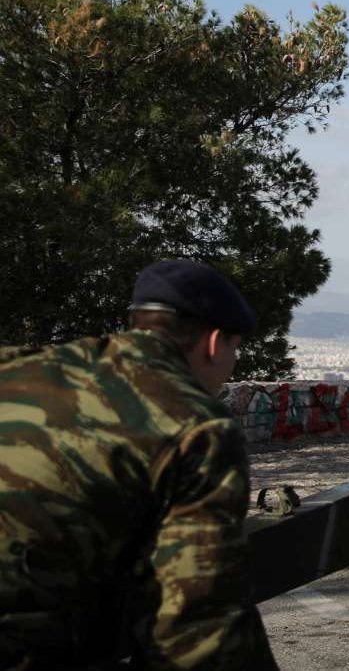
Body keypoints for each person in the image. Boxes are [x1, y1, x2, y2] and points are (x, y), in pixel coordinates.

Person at [0, 260, 278, 668]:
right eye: (235, 350)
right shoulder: (195, 427)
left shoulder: (18, 367)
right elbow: (197, 631)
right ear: (215, 343)